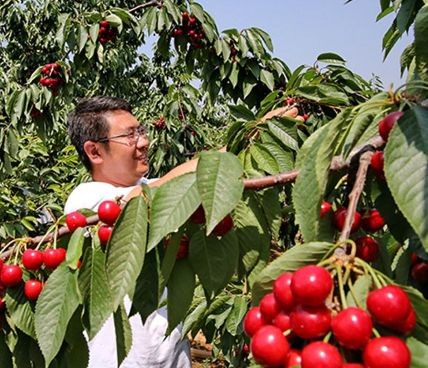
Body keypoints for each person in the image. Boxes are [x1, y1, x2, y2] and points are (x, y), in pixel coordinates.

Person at [65, 95, 303, 367]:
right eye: (129, 136)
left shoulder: (150, 186)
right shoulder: (85, 202)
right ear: (94, 151)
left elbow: (177, 189)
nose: (144, 142)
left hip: (172, 358)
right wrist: (246, 138)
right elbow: (146, 199)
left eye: (141, 131)